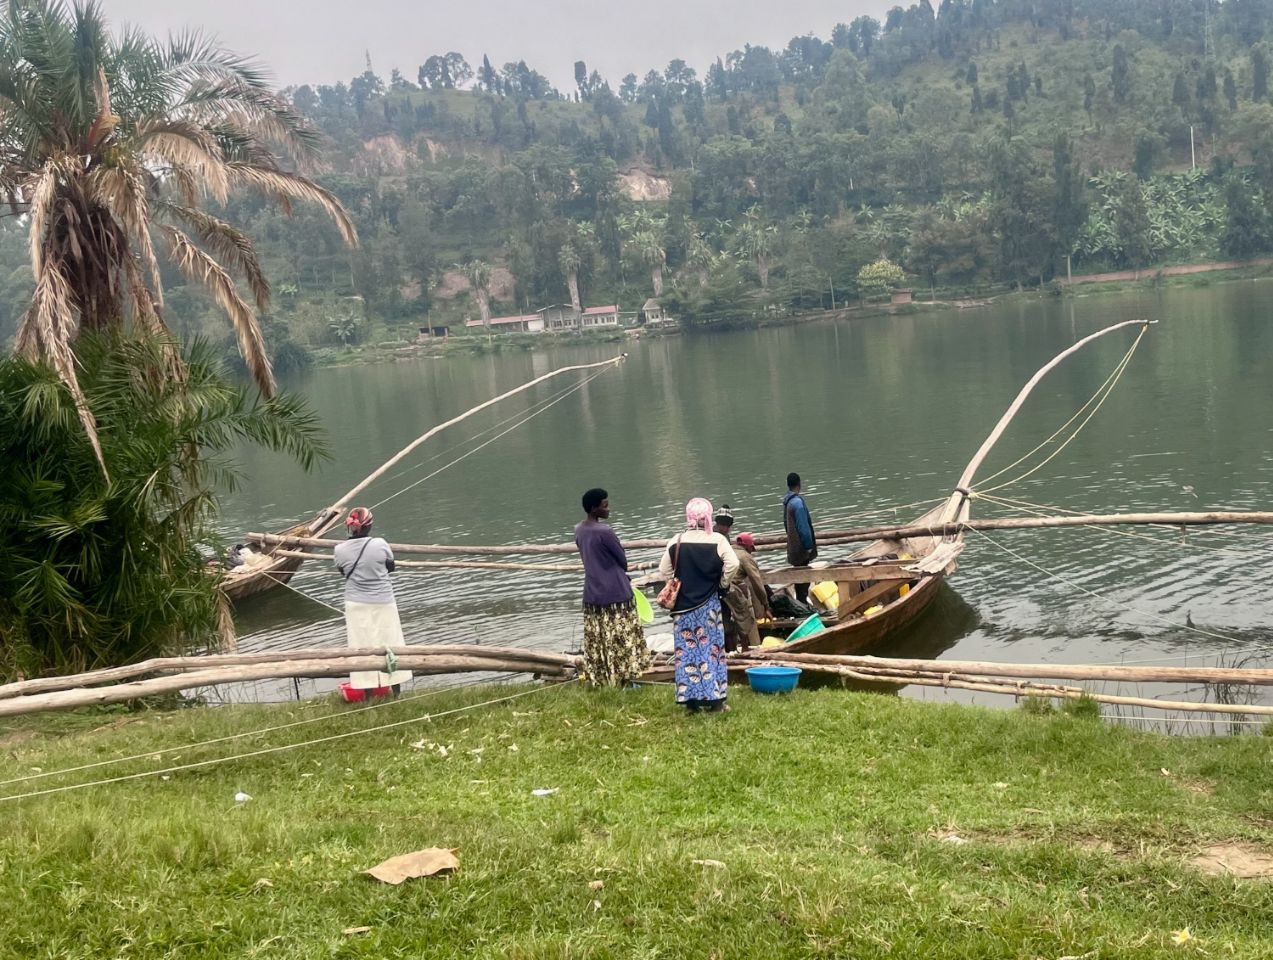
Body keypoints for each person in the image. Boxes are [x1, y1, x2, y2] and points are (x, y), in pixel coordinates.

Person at [659, 498, 739, 712]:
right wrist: (722, 583)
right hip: (708, 605)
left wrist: (677, 580)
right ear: (708, 517)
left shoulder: (676, 540)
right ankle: (715, 701)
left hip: (683, 607)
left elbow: (664, 570)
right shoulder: (717, 540)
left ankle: (691, 702)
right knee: (712, 650)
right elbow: (733, 564)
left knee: (686, 653)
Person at [574, 488, 652, 687]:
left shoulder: (579, 530)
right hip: (615, 592)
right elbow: (622, 561)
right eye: (605, 505)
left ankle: (603, 678)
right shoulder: (605, 532)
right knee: (621, 638)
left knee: (600, 638)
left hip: (592, 592)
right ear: (594, 508)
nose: (608, 509)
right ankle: (625, 680)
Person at [333, 507, 413, 694]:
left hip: (355, 603)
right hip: (384, 601)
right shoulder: (380, 544)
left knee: (361, 646)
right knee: (391, 643)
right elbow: (390, 567)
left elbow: (343, 572)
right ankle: (396, 691)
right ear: (369, 526)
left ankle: (367, 693)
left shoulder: (339, 550)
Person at [712, 505, 759, 653]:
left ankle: (732, 649)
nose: (727, 529)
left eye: (728, 526)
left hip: (723, 584)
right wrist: (725, 583)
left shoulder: (724, 537)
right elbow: (728, 563)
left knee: (728, 617)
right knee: (738, 614)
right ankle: (738, 649)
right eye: (725, 525)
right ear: (719, 524)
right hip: (719, 584)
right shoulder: (714, 537)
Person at [783, 472, 818, 604]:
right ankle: (803, 605)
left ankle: (801, 604)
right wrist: (808, 547)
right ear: (799, 484)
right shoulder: (797, 503)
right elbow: (803, 528)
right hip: (801, 549)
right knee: (804, 580)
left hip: (793, 549)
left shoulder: (787, 502)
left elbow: (786, 525)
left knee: (799, 581)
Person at [734, 532, 774, 626]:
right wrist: (766, 606)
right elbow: (757, 584)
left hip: (716, 589)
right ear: (747, 546)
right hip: (731, 590)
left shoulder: (727, 550)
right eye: (751, 548)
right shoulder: (746, 557)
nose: (751, 551)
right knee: (745, 621)